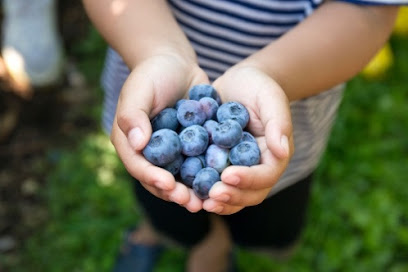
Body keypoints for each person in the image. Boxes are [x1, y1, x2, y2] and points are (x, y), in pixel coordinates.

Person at [82, 1, 405, 271]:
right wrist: (157, 53)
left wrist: (268, 74)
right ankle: (163, 230)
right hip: (154, 80)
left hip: (284, 104)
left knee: (254, 204)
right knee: (163, 193)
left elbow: (370, 10)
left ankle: (215, 246)